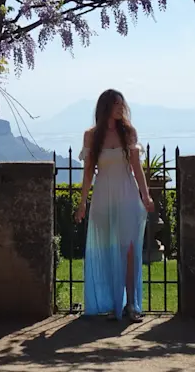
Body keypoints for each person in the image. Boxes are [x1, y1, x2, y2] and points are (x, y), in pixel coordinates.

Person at [75, 89, 155, 322]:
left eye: (122, 104)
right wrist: (82, 202)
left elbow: (137, 168)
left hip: (127, 194)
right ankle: (114, 304)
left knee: (129, 250)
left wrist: (146, 196)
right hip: (103, 196)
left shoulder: (129, 133)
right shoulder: (91, 136)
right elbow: (88, 172)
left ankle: (131, 304)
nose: (121, 108)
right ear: (106, 107)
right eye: (116, 104)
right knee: (110, 250)